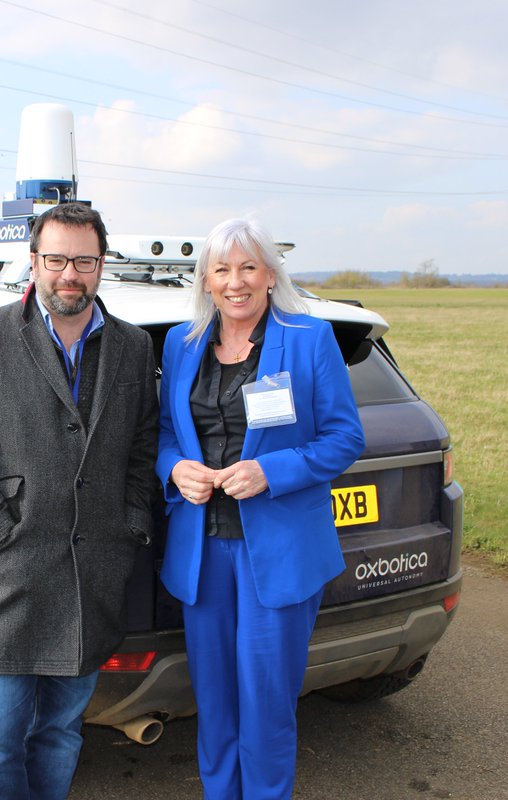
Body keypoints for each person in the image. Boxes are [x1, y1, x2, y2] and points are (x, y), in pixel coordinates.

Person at [0, 202, 158, 800]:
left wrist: (129, 521)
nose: (69, 274)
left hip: (90, 583)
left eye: (84, 260)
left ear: (103, 264)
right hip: (6, 585)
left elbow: (141, 445)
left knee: (58, 737)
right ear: (33, 262)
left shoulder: (132, 347)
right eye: (55, 259)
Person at [155, 217, 365, 799]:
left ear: (270, 275)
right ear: (205, 281)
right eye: (221, 270)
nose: (235, 282)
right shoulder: (181, 344)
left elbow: (345, 438)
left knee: (266, 705)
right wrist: (175, 469)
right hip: (202, 552)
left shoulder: (307, 338)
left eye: (248, 267)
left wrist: (270, 472)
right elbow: (165, 436)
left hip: (276, 555)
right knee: (215, 702)